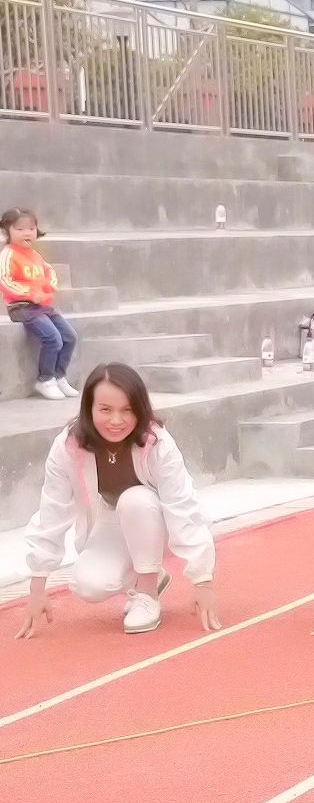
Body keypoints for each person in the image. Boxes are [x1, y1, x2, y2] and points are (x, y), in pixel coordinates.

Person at [17, 364, 221, 638]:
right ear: (89, 408)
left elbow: (182, 506)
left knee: (135, 499)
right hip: (111, 519)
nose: (116, 420)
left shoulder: (157, 443)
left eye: (127, 410)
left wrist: (202, 580)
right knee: (88, 585)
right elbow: (52, 510)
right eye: (105, 409)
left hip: (154, 519)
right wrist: (37, 587)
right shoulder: (68, 447)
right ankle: (150, 572)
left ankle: (147, 593)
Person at [4, 207, 78, 401]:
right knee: (53, 338)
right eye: (19, 229)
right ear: (7, 231)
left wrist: (49, 287)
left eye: (31, 228)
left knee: (70, 337)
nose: (26, 233)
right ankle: (45, 379)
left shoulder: (35, 255)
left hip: (42, 306)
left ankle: (59, 376)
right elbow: (5, 280)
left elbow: (49, 272)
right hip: (21, 307)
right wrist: (30, 294)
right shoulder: (8, 254)